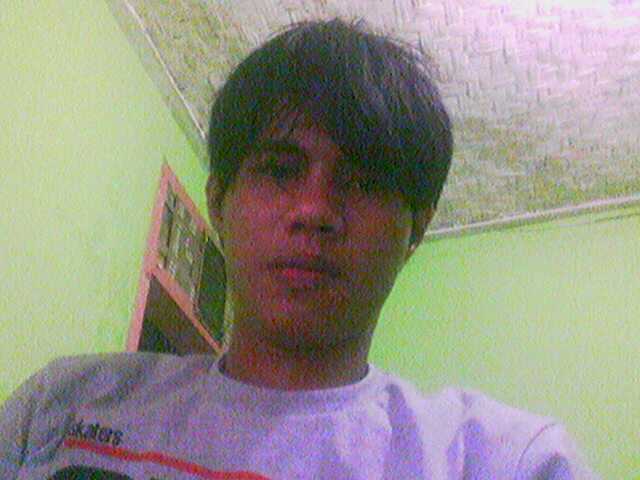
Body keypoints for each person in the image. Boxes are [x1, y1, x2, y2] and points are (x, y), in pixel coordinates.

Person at [0, 17, 597, 480]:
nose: (314, 211)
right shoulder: (62, 410)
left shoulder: (505, 462)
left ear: (415, 230)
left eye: (364, 182)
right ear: (218, 201)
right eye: (280, 170)